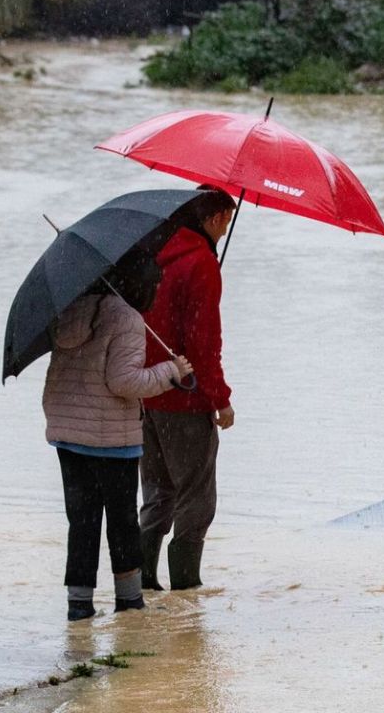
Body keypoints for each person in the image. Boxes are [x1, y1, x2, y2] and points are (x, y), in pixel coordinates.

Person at [43, 252, 194, 621]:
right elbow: (124, 383)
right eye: (154, 284)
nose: (157, 291)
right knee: (123, 520)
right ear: (138, 284)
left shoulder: (71, 309)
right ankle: (128, 604)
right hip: (111, 439)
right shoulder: (127, 318)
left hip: (68, 436)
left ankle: (79, 605)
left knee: (82, 521)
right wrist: (170, 371)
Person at [139, 187, 237, 591]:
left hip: (147, 394)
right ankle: (186, 587)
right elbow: (203, 343)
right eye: (226, 222)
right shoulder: (200, 265)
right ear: (214, 219)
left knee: (158, 491)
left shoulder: (155, 253)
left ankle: (141, 581)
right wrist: (221, 399)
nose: (226, 230)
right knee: (196, 498)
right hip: (186, 399)